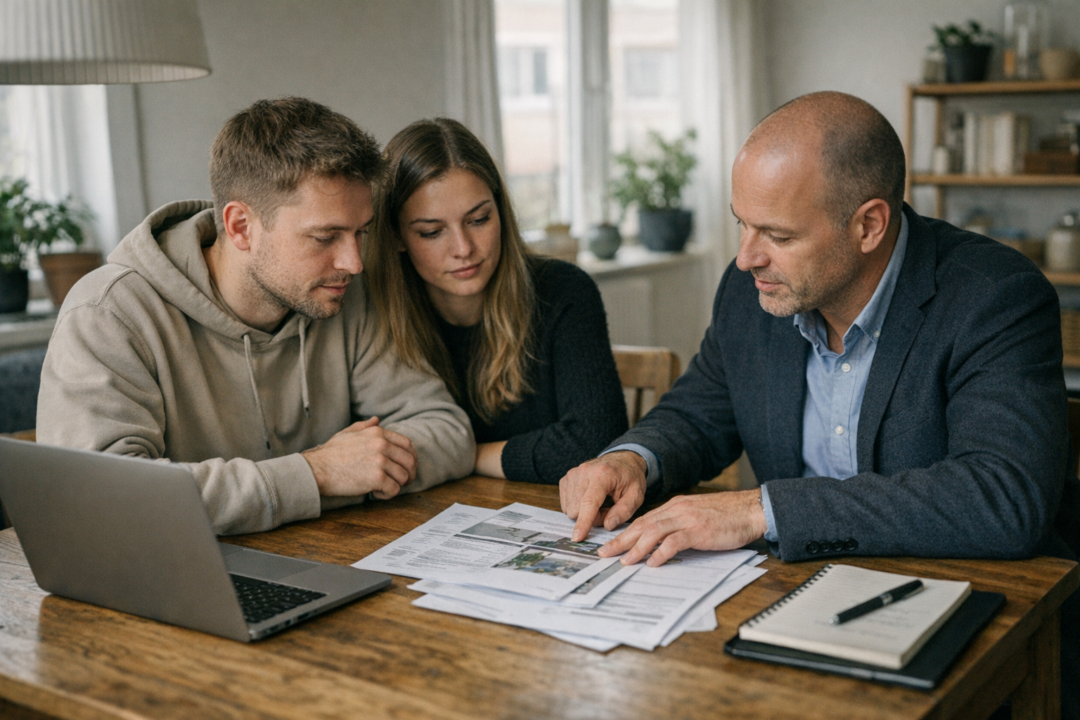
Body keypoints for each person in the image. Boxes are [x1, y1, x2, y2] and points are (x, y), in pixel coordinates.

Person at [559, 92, 1078, 716]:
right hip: (785, 615)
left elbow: (1003, 497)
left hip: (962, 631)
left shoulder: (995, 296)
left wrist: (760, 510)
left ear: (868, 225)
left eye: (777, 234)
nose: (746, 256)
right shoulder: (751, 288)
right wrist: (634, 458)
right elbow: (700, 409)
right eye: (741, 223)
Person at [37, 98, 475, 535]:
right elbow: (104, 501)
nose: (354, 262)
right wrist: (316, 475)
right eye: (325, 237)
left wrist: (358, 470)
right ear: (241, 227)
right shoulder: (109, 313)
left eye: (361, 232)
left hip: (320, 561)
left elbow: (448, 432)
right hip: (173, 583)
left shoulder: (341, 294)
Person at [364, 118, 627, 484]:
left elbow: (597, 444)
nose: (463, 249)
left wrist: (457, 455)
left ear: (501, 211)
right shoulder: (370, 313)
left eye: (479, 219)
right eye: (432, 232)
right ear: (395, 236)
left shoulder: (563, 291)